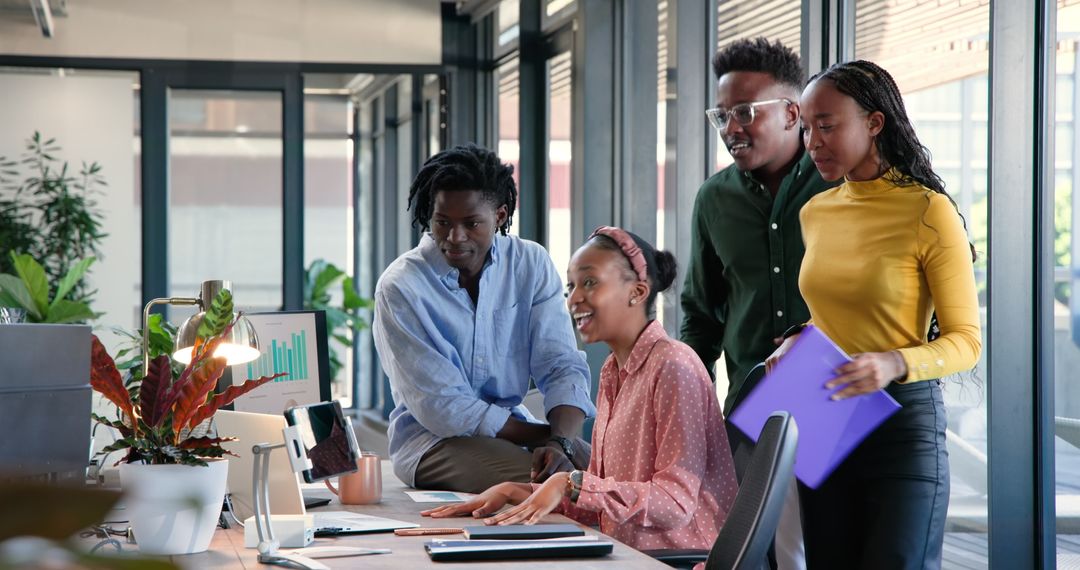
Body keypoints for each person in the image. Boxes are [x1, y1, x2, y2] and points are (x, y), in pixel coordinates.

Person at [769, 60, 982, 569]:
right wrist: (800, 336)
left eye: (827, 125)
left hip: (902, 426)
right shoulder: (815, 212)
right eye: (805, 128)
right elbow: (836, 310)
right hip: (825, 411)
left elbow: (967, 340)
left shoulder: (928, 211)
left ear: (874, 122)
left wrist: (892, 363)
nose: (813, 141)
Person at [423, 227, 738, 553]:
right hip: (623, 554)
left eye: (590, 282)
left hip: (676, 560)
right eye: (571, 286)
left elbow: (674, 503)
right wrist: (516, 491)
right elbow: (602, 505)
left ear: (638, 291)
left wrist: (570, 483)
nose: (573, 298)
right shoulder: (613, 371)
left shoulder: (674, 366)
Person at [680, 37, 834, 569]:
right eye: (721, 115)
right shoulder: (713, 199)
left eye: (745, 112)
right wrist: (684, 397)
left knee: (827, 547)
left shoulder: (840, 185)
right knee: (761, 555)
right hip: (753, 408)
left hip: (837, 392)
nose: (730, 128)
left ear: (793, 113)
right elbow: (701, 313)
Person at [372, 144, 596, 494]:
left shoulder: (530, 264)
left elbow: (561, 365)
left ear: (501, 215)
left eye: (471, 223)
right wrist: (554, 440)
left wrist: (562, 442)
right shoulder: (401, 287)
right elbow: (445, 409)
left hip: (516, 433)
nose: (454, 237)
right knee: (560, 486)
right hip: (434, 443)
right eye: (442, 222)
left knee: (607, 476)